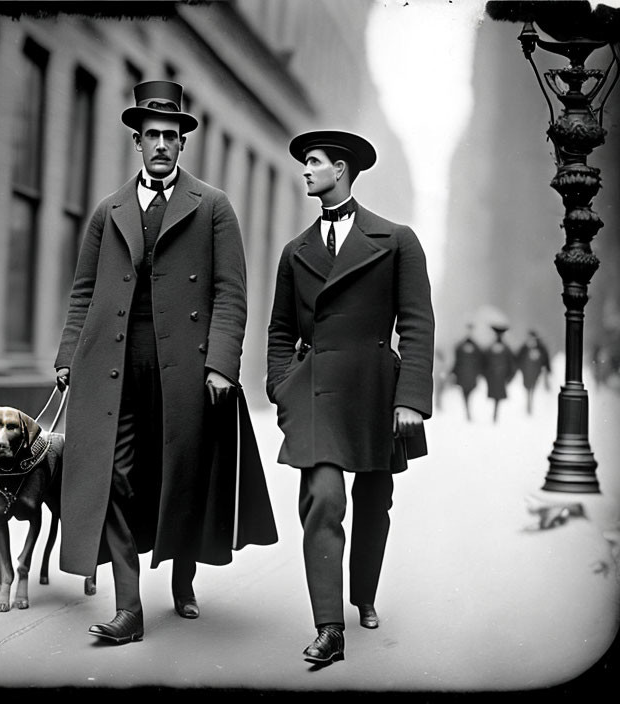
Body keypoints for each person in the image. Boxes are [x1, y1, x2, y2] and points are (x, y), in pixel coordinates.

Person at [54, 80, 277, 645]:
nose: (160, 144)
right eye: (151, 135)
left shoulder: (213, 207)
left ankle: (182, 578)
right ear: (137, 141)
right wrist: (66, 358)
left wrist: (223, 364)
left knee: (181, 474)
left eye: (170, 136)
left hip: (187, 366)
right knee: (116, 476)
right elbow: (84, 293)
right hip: (114, 364)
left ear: (182, 144)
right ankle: (129, 607)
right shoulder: (110, 211)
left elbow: (231, 292)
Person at [266, 130, 434, 666]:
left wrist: (409, 399)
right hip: (314, 391)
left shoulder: (397, 240)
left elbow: (416, 324)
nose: (305, 171)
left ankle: (363, 593)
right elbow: (279, 330)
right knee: (323, 498)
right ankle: (329, 626)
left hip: (376, 391)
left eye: (313, 162)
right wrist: (281, 386)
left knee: (373, 501)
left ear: (340, 169)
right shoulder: (296, 253)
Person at [451, 323, 484, 421]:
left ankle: (468, 410)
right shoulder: (460, 347)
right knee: (465, 394)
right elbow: (457, 362)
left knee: (468, 394)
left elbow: (479, 362)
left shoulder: (475, 348)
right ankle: (467, 411)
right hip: (464, 376)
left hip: (470, 376)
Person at [483, 324, 516, 423]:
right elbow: (484, 363)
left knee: (497, 398)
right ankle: (495, 416)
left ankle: (495, 416)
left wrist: (509, 378)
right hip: (494, 378)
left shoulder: (506, 349)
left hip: (500, 378)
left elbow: (512, 365)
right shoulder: (491, 348)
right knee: (496, 398)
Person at [516, 329, 551, 415]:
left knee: (533, 388)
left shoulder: (541, 348)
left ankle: (530, 404)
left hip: (536, 372)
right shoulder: (524, 347)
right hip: (526, 372)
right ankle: (528, 404)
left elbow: (545, 359)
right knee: (528, 388)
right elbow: (518, 358)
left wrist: (548, 369)